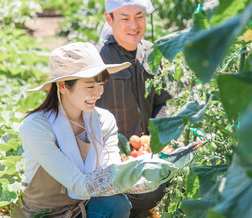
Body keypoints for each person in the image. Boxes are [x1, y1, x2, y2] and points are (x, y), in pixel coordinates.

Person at [12, 42, 176, 218]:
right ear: (62, 86)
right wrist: (136, 168)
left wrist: (150, 171)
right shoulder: (36, 126)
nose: (98, 93)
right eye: (90, 87)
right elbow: (79, 185)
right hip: (42, 214)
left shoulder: (104, 120)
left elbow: (111, 175)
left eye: (101, 84)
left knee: (116, 203)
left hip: (84, 208)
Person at [95, 0, 173, 217]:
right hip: (111, 162)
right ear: (109, 19)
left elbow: (164, 102)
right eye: (125, 18)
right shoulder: (97, 59)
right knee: (133, 198)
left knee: (156, 189)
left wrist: (155, 139)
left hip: (146, 155)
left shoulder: (152, 53)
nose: (134, 25)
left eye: (139, 17)